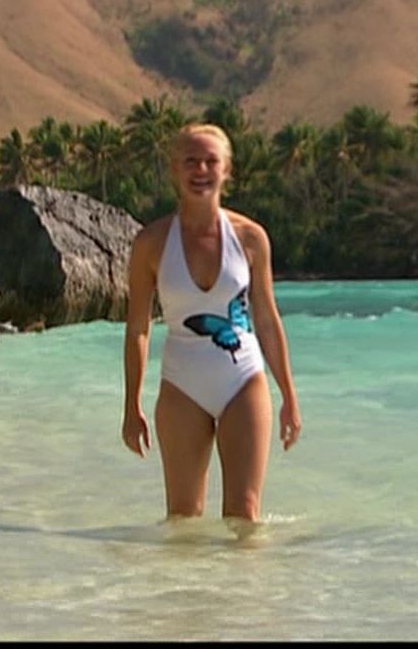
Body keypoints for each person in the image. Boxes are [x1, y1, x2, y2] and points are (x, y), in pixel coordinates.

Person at [122, 123, 302, 533]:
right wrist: (131, 406)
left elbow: (267, 320)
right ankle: (190, 581)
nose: (200, 170)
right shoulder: (151, 243)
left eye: (210, 161)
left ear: (226, 170)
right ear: (175, 169)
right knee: (182, 521)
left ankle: (246, 579)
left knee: (244, 516)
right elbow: (138, 329)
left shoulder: (251, 238)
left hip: (242, 379)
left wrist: (289, 396)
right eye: (191, 161)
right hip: (181, 384)